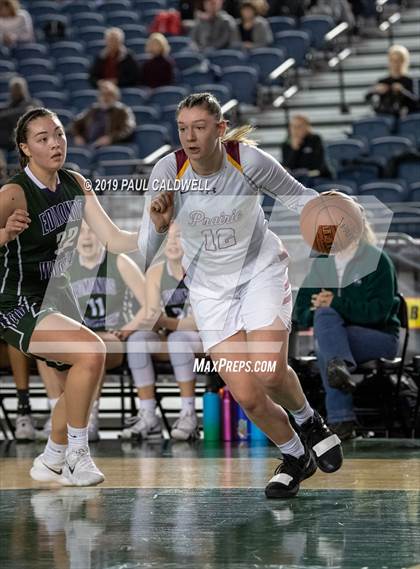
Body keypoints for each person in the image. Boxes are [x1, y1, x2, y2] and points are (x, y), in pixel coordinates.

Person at [138, 92, 344, 499]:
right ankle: (294, 456)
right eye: (182, 128)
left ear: (219, 129)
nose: (190, 137)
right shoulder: (166, 169)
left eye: (199, 127)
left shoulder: (246, 161)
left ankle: (310, 420)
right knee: (248, 396)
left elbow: (299, 197)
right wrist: (160, 225)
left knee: (269, 372)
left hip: (259, 272)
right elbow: (144, 250)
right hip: (211, 291)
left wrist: (333, 211)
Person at [0, 107, 139, 486]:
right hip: (15, 298)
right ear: (25, 149)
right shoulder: (13, 193)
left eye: (58, 134)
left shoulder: (76, 182)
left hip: (54, 294)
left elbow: (113, 240)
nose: (55, 143)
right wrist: (3, 236)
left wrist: (156, 229)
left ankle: (51, 458)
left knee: (84, 374)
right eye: (43, 138)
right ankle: (77, 454)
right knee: (92, 352)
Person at [294, 207, 400, 440]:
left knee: (327, 342)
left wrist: (335, 303)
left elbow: (379, 314)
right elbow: (300, 308)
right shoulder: (323, 261)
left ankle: (341, 420)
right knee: (326, 327)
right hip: (336, 337)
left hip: (379, 337)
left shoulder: (377, 260)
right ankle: (338, 368)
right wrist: (316, 307)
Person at [122, 222, 202, 441]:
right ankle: (148, 415)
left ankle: (188, 415)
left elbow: (198, 322)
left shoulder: (201, 270)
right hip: (172, 337)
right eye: (168, 238)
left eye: (179, 237)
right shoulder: (156, 271)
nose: (173, 242)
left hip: (204, 340)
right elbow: (151, 313)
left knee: (177, 338)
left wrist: (163, 321)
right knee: (138, 340)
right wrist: (146, 322)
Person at [67, 221, 146, 441]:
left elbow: (151, 304)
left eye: (92, 230)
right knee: (50, 347)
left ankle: (89, 417)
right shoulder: (65, 267)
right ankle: (59, 410)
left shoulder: (119, 261)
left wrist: (128, 328)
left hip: (112, 338)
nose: (87, 237)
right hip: (80, 337)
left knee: (93, 347)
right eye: (81, 232)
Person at [71, 80, 136, 148]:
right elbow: (75, 123)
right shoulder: (93, 109)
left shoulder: (123, 111)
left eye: (109, 95)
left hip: (110, 147)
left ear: (116, 97)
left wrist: (110, 138)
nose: (105, 98)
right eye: (102, 94)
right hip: (88, 145)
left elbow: (128, 129)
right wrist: (77, 136)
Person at [366, 45, 418, 119]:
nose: (395, 64)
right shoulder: (383, 81)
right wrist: (375, 90)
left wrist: (402, 91)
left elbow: (416, 103)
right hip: (385, 115)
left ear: (404, 62)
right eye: (392, 60)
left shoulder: (409, 80)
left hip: (405, 116)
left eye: (399, 61)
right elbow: (367, 97)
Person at [282, 114, 331, 182]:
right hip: (297, 179)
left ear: (307, 127)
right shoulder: (286, 143)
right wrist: (295, 149)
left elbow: (317, 164)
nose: (296, 129)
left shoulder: (315, 139)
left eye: (299, 126)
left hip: (317, 177)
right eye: (293, 126)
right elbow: (287, 166)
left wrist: (303, 171)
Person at [0, 77, 41, 151]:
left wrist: (5, 115)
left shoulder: (33, 104)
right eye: (14, 89)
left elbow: (27, 112)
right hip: (9, 141)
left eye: (18, 88)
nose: (17, 91)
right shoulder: (7, 107)